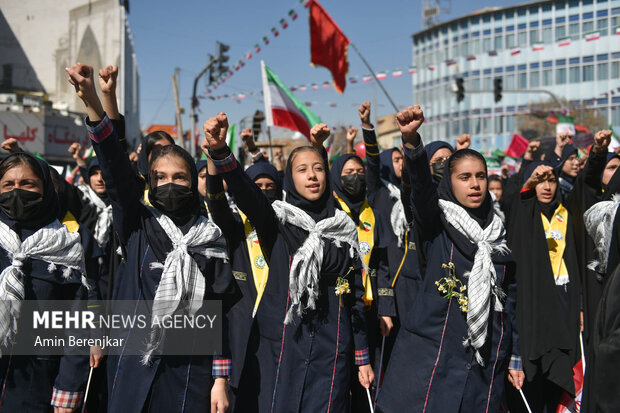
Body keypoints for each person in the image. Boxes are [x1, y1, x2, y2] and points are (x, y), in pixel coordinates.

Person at [67, 62, 233, 413]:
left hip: (189, 374)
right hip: (132, 366)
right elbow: (115, 166)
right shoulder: (137, 222)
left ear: (193, 183)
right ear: (149, 181)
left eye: (180, 177)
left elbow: (219, 310)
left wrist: (220, 379)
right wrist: (95, 100)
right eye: (160, 177)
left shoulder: (209, 237)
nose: (169, 184)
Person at [204, 112, 374, 413]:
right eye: (302, 170)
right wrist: (221, 151)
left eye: (319, 168)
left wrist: (362, 355)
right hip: (280, 348)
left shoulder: (344, 229)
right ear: (290, 179)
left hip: (330, 352)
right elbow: (247, 193)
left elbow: (356, 299)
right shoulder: (277, 221)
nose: (312, 175)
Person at [376, 105, 521, 413]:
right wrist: (412, 143)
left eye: (481, 176)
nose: (475, 184)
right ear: (449, 182)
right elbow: (421, 194)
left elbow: (511, 301)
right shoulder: (436, 223)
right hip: (432, 361)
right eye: (465, 177)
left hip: (481, 366)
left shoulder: (498, 234)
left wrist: (515, 355)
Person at [0, 152, 90, 412]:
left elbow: (77, 324)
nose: (17, 191)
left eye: (28, 184)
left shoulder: (67, 245)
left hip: (38, 381)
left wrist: (69, 387)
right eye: (8, 185)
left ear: (46, 189)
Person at [204, 153, 282, 413]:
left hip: (276, 336)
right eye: (256, 187)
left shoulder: (285, 227)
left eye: (270, 186)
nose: (263, 192)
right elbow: (215, 201)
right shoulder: (233, 224)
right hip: (240, 335)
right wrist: (214, 162)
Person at [507, 161, 584, 412]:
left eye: (551, 180)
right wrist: (527, 188)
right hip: (534, 309)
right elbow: (519, 203)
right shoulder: (524, 213)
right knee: (535, 383)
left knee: (560, 381)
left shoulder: (565, 213)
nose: (547, 187)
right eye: (540, 181)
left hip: (563, 304)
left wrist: (580, 304)